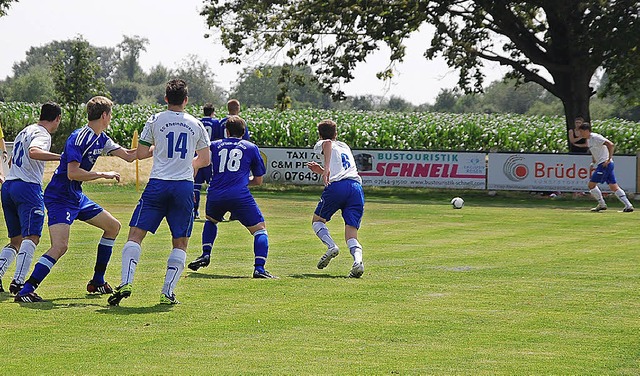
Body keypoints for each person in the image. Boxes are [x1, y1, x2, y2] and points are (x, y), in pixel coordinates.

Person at [14, 96, 137, 303]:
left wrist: (156, 148)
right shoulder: (79, 137)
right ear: (105, 115)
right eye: (111, 114)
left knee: (113, 227)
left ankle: (97, 281)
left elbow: (129, 155)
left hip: (75, 196)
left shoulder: (102, 138)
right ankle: (26, 289)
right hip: (60, 196)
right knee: (60, 246)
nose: (111, 118)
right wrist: (102, 174)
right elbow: (72, 173)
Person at [108, 79, 211, 306]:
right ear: (185, 100)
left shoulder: (155, 120)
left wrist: (156, 148)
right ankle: (167, 292)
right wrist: (190, 165)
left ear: (166, 99)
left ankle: (126, 281)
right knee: (180, 242)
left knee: (135, 235)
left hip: (157, 184)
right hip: (183, 186)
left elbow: (142, 153)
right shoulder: (196, 124)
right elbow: (205, 159)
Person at [187, 115, 276, 279]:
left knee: (211, 221)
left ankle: (206, 253)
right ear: (244, 131)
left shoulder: (214, 145)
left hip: (215, 193)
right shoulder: (251, 147)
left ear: (226, 131)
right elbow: (258, 180)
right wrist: (240, 181)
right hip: (239, 194)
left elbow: (196, 162)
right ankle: (259, 268)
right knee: (259, 230)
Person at [0, 102, 62, 294]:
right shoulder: (42, 134)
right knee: (32, 236)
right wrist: (61, 157)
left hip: (9, 185)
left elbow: (11, 160)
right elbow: (34, 152)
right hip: (27, 187)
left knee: (16, 240)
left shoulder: (24, 131)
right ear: (57, 119)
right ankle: (18, 282)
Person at [188, 99, 249, 270]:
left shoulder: (206, 121)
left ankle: (195, 211)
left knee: (198, 185)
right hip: (226, 159)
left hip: (209, 153)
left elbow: (208, 140)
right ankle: (233, 214)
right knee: (259, 227)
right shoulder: (223, 122)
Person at [307, 119, 365, 278]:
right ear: (336, 133)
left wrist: (325, 169)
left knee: (317, 221)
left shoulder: (323, 143)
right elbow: (341, 169)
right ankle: (358, 262)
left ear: (319, 134)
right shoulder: (345, 146)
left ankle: (331, 246)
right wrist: (322, 170)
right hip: (355, 187)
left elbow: (327, 144)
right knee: (351, 234)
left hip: (338, 187)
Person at [572, 122, 634, 212]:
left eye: (581, 132)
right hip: (603, 164)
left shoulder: (596, 137)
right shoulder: (589, 140)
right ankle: (628, 205)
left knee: (591, 185)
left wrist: (608, 159)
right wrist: (593, 162)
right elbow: (594, 151)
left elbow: (611, 145)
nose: (580, 134)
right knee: (614, 186)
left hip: (605, 164)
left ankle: (602, 204)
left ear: (586, 131)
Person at [193, 103, 218, 219]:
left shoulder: (196, 122)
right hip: (210, 158)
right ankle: (213, 212)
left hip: (197, 156)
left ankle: (194, 211)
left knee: (196, 186)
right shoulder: (216, 123)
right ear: (213, 112)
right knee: (212, 186)